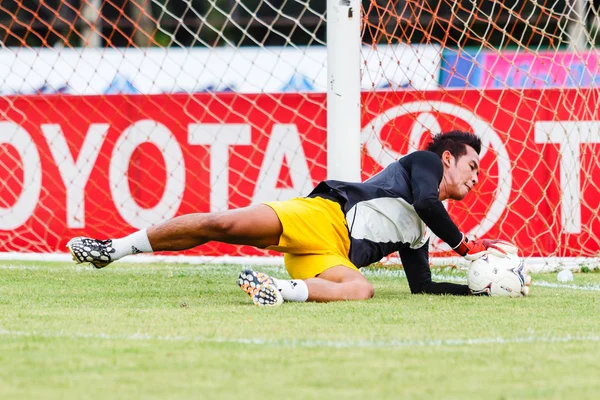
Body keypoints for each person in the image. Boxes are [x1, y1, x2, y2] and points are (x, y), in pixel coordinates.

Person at [67, 131, 528, 307]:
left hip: (329, 256)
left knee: (362, 289)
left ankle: (277, 290)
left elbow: (421, 287)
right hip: (319, 217)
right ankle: (114, 248)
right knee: (223, 226)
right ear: (448, 159)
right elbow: (428, 202)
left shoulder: (423, 229)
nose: (476, 179)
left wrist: (476, 288)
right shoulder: (424, 162)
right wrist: (469, 248)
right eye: (472, 167)